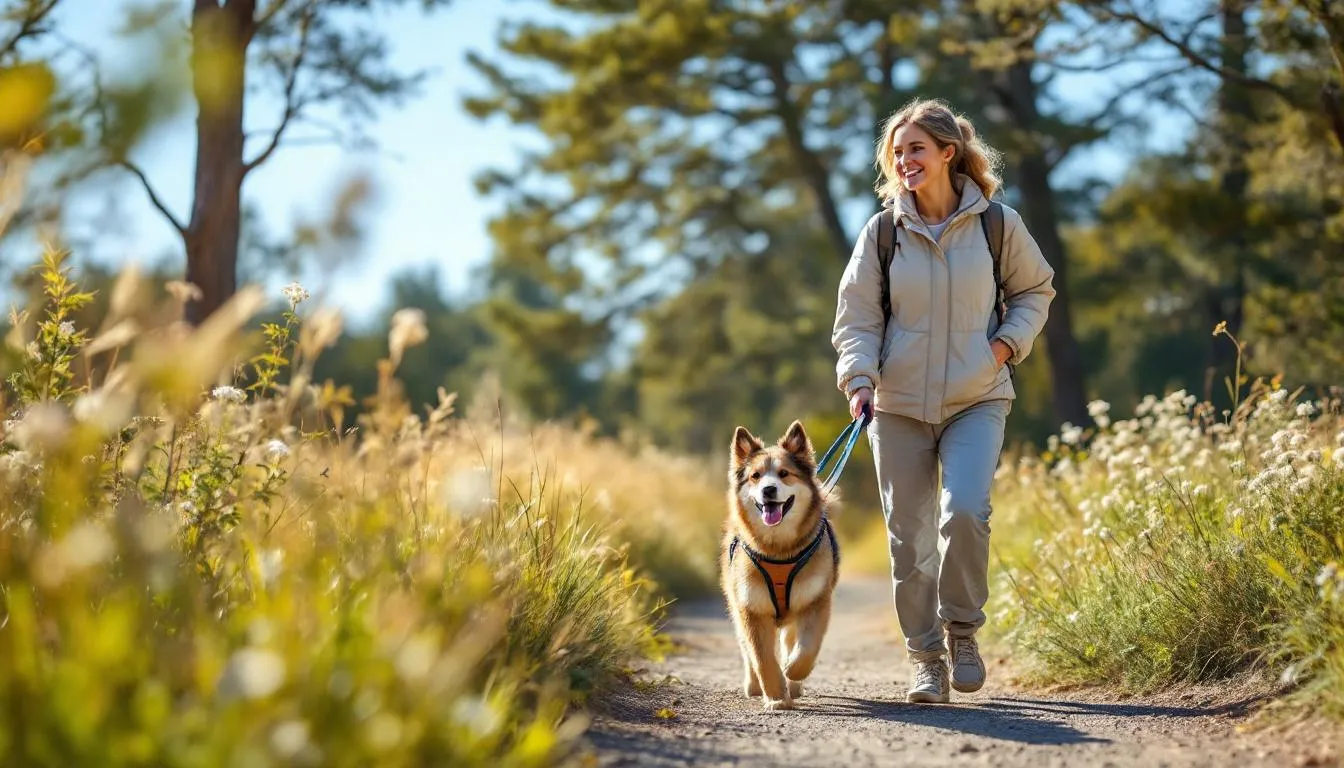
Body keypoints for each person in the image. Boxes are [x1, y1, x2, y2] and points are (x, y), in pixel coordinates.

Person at [831, 97, 1056, 703]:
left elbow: (1036, 289)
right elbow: (855, 318)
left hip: (976, 396)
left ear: (948, 153)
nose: (905, 161)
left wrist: (1006, 347)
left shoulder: (997, 224)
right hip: (897, 405)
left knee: (964, 512)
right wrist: (859, 379)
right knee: (909, 537)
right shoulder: (882, 233)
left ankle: (962, 633)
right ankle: (925, 658)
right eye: (896, 152)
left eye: (916, 150)